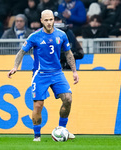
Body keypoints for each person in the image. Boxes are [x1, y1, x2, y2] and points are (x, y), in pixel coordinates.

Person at [7, 9, 79, 141]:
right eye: (46, 20)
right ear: (41, 21)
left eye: (51, 19)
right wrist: (15, 67)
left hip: (57, 73)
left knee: (68, 99)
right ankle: (37, 136)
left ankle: (62, 130)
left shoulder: (62, 35)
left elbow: (68, 53)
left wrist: (74, 71)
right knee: (38, 105)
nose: (49, 22)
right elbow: (21, 52)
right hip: (40, 74)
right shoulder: (34, 36)